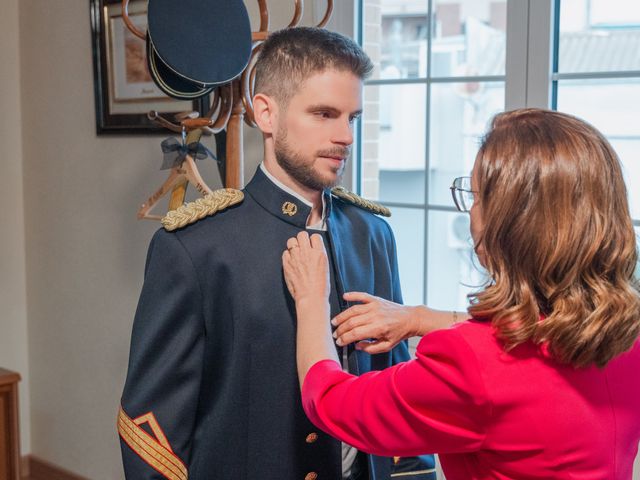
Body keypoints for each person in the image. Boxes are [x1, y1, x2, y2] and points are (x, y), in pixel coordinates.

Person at [118, 27, 434, 480]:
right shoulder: (195, 248)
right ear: (266, 113)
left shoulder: (373, 235)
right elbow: (150, 426)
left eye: (352, 118)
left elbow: (395, 384)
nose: (344, 135)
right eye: (324, 114)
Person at [283, 108, 640, 480]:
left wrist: (311, 302)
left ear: (509, 223)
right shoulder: (626, 332)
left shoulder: (472, 365)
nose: (471, 212)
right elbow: (537, 335)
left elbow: (332, 403)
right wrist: (419, 318)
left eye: (478, 197)